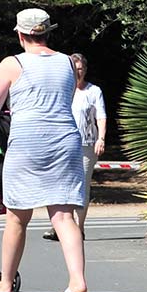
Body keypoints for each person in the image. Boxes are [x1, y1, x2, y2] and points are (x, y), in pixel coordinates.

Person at [0, 8, 90, 292]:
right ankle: (77, 284)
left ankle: (4, 286)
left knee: (16, 216)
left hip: (28, 142)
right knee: (64, 216)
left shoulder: (12, 63)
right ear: (47, 32)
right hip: (66, 141)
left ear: (20, 34)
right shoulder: (67, 62)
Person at [44, 53, 105, 242]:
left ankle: (79, 227)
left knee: (82, 186)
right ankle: (60, 226)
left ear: (85, 70)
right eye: (74, 69)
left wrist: (100, 138)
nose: (77, 73)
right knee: (60, 186)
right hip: (63, 144)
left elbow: (101, 116)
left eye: (80, 69)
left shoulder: (93, 91)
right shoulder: (62, 90)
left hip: (86, 144)